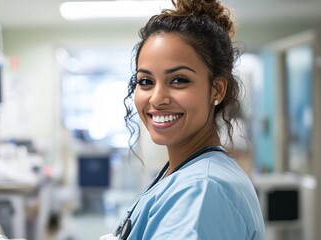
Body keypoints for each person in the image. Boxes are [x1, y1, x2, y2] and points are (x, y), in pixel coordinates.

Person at [100, 0, 265, 239]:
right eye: (145, 81)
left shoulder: (203, 190)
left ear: (217, 89)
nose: (157, 99)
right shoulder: (185, 171)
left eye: (178, 80)